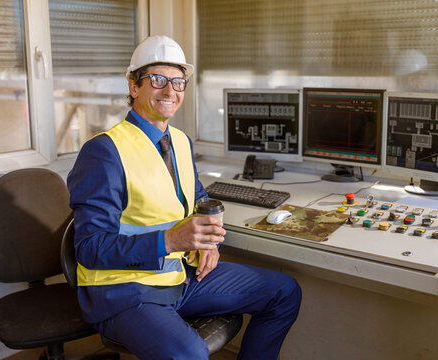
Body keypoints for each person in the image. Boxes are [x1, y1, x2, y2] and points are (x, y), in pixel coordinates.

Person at [67, 35, 302, 360]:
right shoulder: (104, 152)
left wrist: (209, 242)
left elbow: (198, 200)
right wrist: (169, 240)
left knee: (284, 292)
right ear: (134, 86)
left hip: (179, 276)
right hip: (125, 291)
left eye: (178, 82)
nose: (170, 91)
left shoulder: (178, 141)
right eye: (158, 80)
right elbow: (90, 248)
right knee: (188, 354)